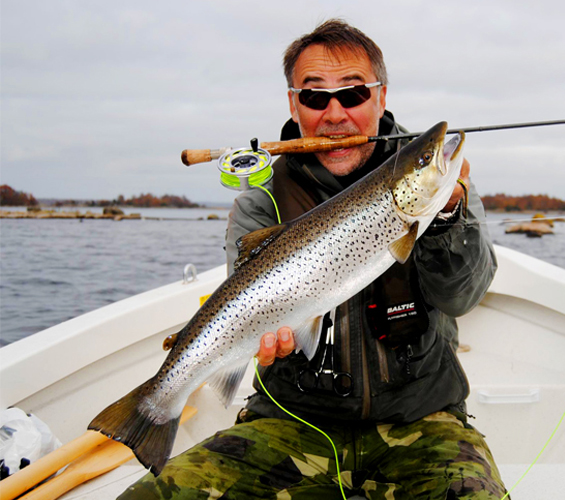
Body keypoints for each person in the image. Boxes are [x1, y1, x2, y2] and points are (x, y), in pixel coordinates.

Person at [120, 19, 507, 499]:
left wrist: (448, 214)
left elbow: (463, 297)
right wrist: (263, 339)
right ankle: (154, 406)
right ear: (293, 104)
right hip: (289, 423)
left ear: (381, 97)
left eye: (354, 93)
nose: (335, 113)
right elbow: (241, 301)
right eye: (314, 96)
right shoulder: (260, 201)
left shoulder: (447, 189)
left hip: (423, 420)